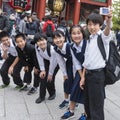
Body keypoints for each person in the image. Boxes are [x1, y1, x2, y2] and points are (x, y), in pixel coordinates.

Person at [80, 11, 112, 120]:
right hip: (88, 75)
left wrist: (109, 21)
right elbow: (86, 61)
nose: (92, 27)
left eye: (95, 24)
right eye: (89, 24)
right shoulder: (90, 39)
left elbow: (107, 31)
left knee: (96, 107)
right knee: (88, 104)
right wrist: (83, 77)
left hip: (98, 76)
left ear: (100, 25)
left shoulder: (102, 38)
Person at [60, 25, 86, 120]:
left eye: (79, 33)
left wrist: (84, 78)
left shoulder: (87, 44)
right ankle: (71, 111)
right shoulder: (72, 46)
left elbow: (87, 62)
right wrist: (81, 77)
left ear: (82, 34)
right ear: (70, 35)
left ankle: (85, 114)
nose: (76, 35)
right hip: (81, 71)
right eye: (74, 33)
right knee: (75, 88)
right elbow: (76, 63)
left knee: (87, 92)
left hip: (90, 70)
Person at [34, 33, 59, 103]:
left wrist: (50, 74)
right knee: (43, 77)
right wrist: (43, 70)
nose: (41, 43)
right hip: (47, 60)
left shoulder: (52, 50)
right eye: (38, 41)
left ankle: (52, 93)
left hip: (56, 63)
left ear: (46, 40)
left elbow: (53, 63)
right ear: (36, 42)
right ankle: (41, 96)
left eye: (42, 40)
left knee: (50, 78)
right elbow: (39, 58)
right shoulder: (36, 47)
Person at [52, 30, 73, 109]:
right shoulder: (56, 48)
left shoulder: (69, 46)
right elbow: (61, 62)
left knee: (75, 83)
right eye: (55, 38)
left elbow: (77, 60)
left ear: (64, 38)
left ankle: (75, 101)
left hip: (77, 64)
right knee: (66, 82)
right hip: (69, 63)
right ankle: (66, 100)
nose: (58, 40)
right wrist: (64, 74)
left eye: (60, 37)